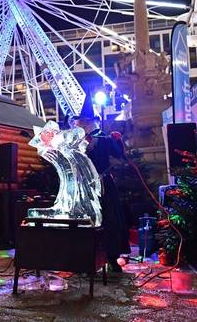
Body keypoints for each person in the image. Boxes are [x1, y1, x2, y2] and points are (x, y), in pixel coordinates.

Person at [68, 93, 131, 272]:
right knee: (84, 221)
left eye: (83, 122)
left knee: (109, 220)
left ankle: (111, 257)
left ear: (89, 122)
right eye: (79, 122)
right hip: (83, 188)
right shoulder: (77, 140)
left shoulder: (102, 137)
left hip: (103, 187)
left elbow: (119, 155)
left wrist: (118, 140)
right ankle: (84, 257)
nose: (80, 124)